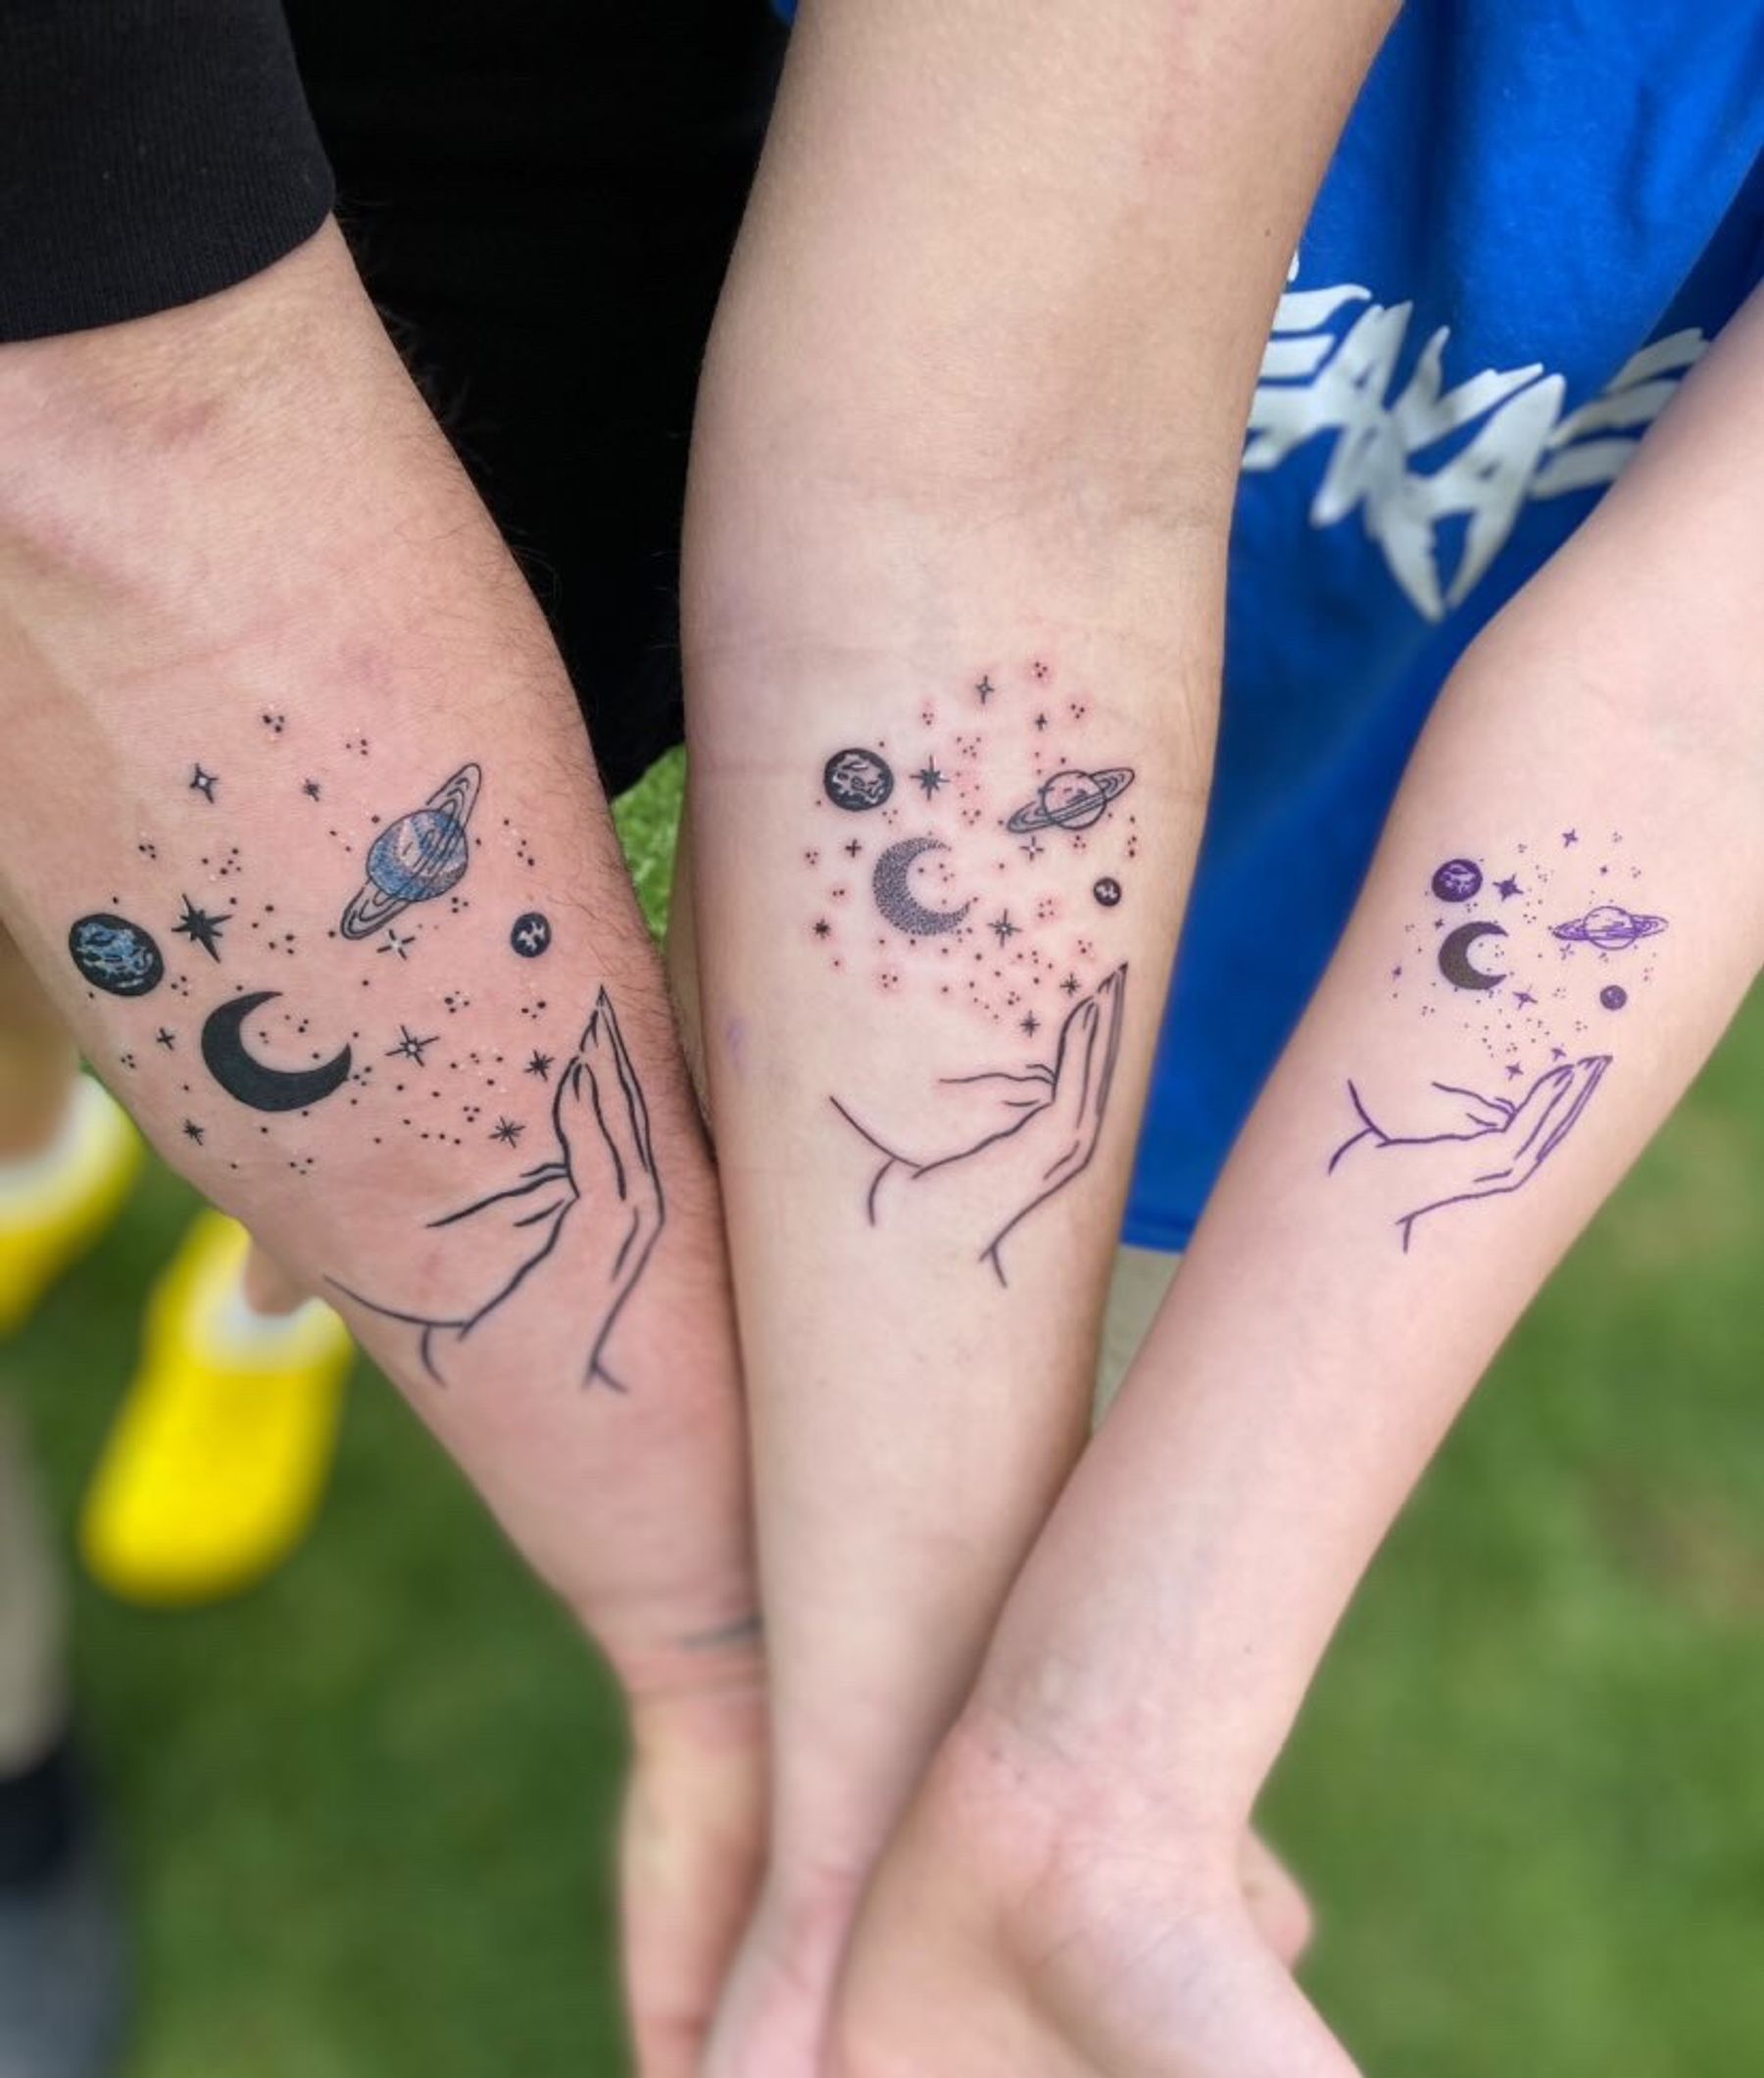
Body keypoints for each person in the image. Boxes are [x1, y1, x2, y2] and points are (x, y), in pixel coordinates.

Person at [675, 1, 1764, 2073]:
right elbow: (970, 495)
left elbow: (1714, 712)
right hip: (899, 746)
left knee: (1009, 1399)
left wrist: (1107, 1768)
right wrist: (901, 1814)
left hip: (1339, 917)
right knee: (761, 1386)